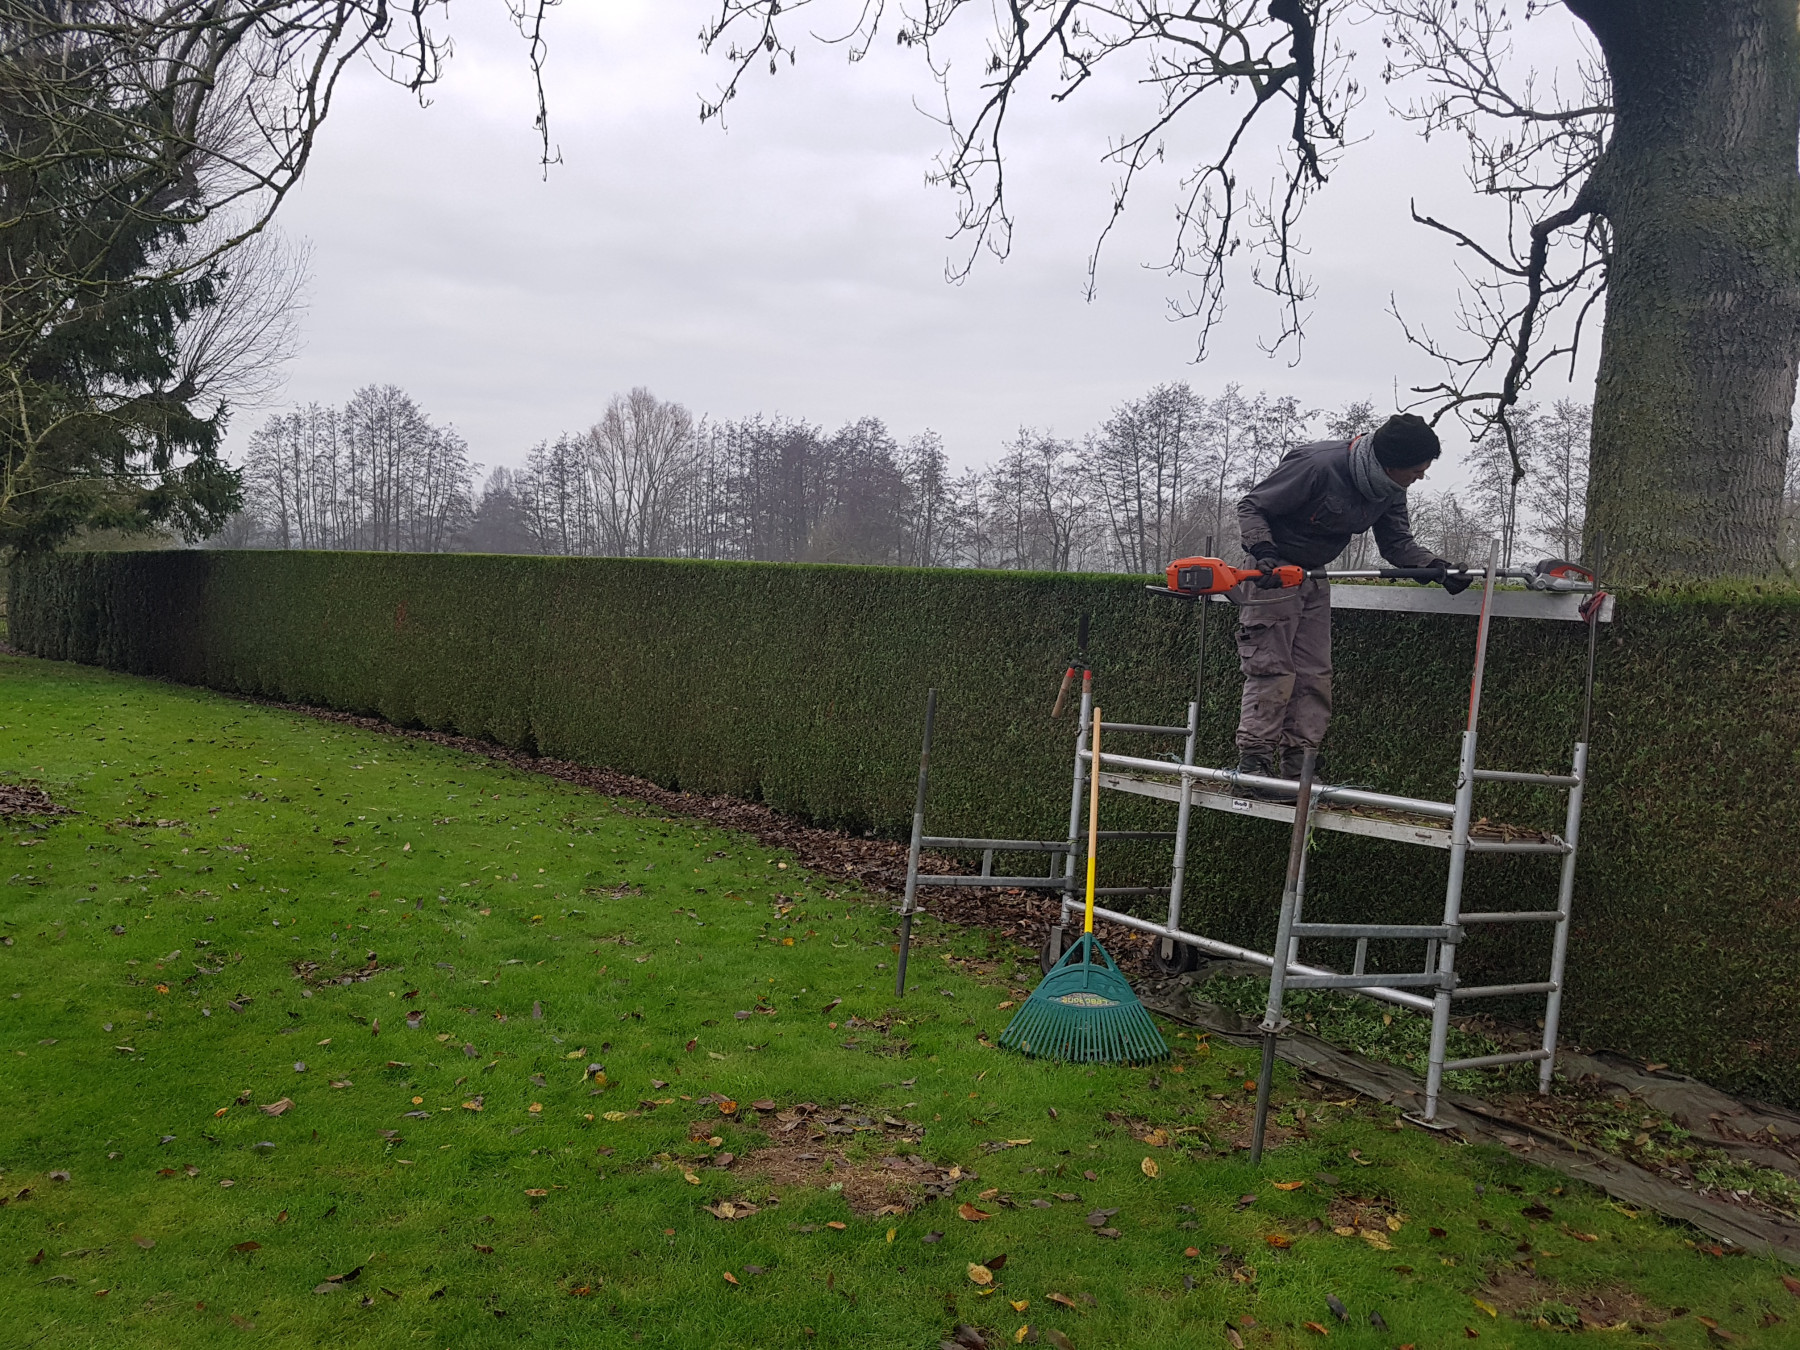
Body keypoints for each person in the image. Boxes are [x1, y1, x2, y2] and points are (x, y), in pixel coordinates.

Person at [1232, 413, 1470, 781]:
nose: (1420, 477)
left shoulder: (1390, 489)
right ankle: (1254, 766)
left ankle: (1299, 767)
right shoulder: (1318, 465)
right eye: (1417, 470)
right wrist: (1264, 550)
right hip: (1272, 574)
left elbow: (1397, 544)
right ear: (1391, 463)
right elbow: (1252, 506)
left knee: (1314, 674)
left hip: (1314, 576)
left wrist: (1437, 568)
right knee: (1272, 668)